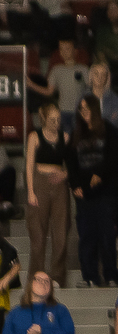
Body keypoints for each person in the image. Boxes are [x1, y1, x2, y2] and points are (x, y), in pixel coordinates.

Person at [67, 97, 118, 289]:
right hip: (84, 195)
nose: (84, 112)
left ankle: (111, 275)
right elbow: (70, 163)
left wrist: (100, 174)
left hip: (106, 193)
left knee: (107, 236)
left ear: (95, 109)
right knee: (87, 237)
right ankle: (90, 276)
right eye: (81, 109)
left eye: (87, 108)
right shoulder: (76, 133)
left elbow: (115, 157)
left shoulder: (109, 130)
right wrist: (75, 185)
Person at [25, 103, 70, 288]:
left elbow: (72, 164)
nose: (56, 123)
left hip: (59, 183)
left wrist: (65, 175)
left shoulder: (65, 137)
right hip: (39, 181)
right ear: (43, 118)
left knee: (61, 232)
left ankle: (57, 277)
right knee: (38, 233)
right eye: (52, 120)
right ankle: (36, 277)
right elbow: (29, 165)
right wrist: (30, 191)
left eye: (58, 120)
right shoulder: (34, 136)